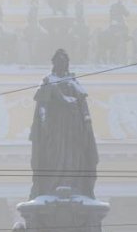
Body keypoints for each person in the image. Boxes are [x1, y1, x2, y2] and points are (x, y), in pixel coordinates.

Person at [29, 49, 99, 199]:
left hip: (72, 127)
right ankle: (52, 185)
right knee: (52, 155)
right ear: (54, 64)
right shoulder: (48, 81)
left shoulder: (72, 81)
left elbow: (82, 103)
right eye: (59, 62)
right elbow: (41, 104)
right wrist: (43, 120)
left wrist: (86, 118)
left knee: (72, 156)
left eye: (64, 62)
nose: (62, 64)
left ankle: (71, 183)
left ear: (67, 64)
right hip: (53, 127)